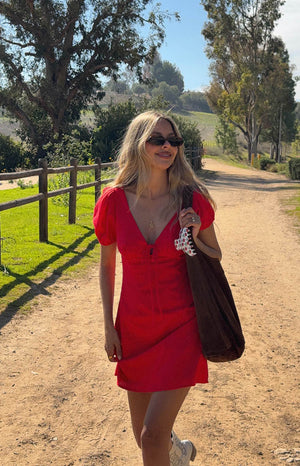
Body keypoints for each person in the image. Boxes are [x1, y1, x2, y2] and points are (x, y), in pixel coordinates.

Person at [93, 110, 222, 466]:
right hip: (134, 330)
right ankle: (179, 452)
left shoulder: (191, 200)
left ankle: (168, 448)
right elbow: (107, 266)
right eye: (158, 140)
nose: (168, 147)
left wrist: (195, 236)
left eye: (174, 141)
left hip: (182, 327)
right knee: (144, 438)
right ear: (139, 143)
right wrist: (108, 326)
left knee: (151, 437)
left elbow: (216, 254)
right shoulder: (113, 201)